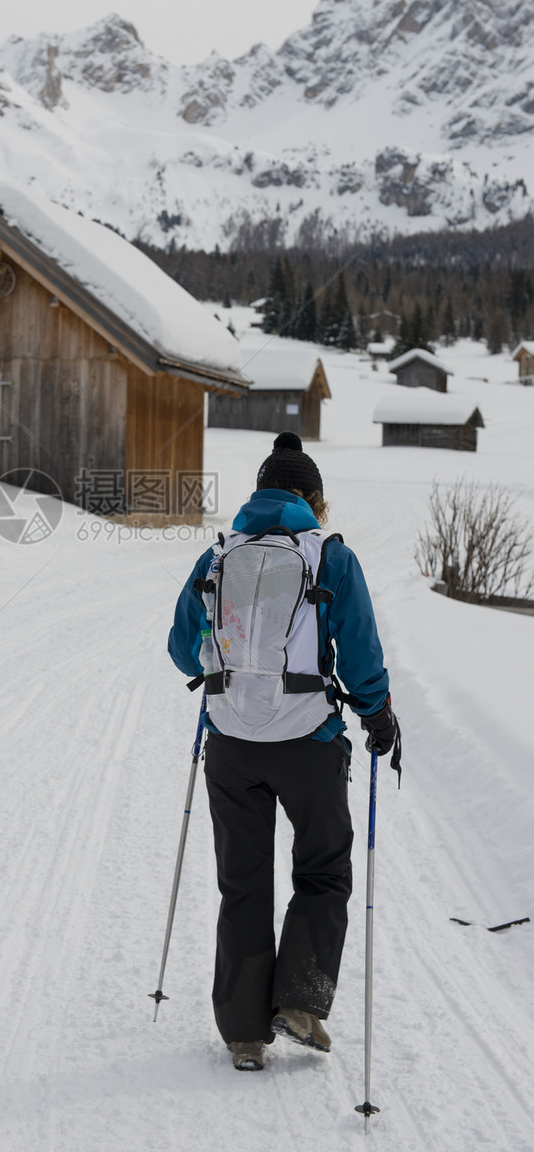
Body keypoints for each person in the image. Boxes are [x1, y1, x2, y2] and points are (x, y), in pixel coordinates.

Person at [167, 432, 399, 1072]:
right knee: (323, 870)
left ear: (259, 493)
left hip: (232, 746)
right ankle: (299, 1002)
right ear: (314, 499)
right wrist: (377, 713)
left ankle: (243, 1032)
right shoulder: (331, 557)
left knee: (241, 883)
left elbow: (183, 650)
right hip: (308, 743)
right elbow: (358, 650)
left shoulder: (219, 555)